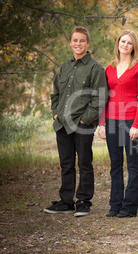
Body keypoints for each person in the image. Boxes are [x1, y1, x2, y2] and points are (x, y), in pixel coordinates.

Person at [45, 26, 107, 217]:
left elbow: (100, 97)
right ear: (70, 42)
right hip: (62, 124)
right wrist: (55, 113)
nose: (78, 44)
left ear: (87, 43)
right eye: (75, 40)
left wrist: (85, 120)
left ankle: (83, 201)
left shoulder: (95, 68)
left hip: (82, 125)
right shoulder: (64, 67)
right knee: (66, 164)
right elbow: (55, 93)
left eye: (82, 41)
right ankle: (65, 201)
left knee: (85, 163)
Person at [98, 30, 138, 218]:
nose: (125, 45)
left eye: (129, 42)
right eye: (122, 41)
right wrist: (102, 123)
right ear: (118, 43)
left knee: (133, 164)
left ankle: (129, 207)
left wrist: (136, 124)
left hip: (131, 122)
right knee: (115, 164)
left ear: (133, 46)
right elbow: (104, 98)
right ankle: (115, 204)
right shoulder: (109, 68)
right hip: (111, 122)